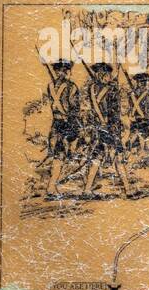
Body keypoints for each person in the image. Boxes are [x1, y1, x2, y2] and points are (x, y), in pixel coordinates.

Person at [82, 62, 132, 198]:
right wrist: (118, 129)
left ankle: (87, 189)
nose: (110, 77)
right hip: (110, 128)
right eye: (108, 75)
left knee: (97, 158)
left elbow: (95, 108)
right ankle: (127, 189)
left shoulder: (92, 88)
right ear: (105, 75)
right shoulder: (111, 90)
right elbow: (115, 111)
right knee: (118, 158)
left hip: (98, 127)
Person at [42, 59, 80, 198]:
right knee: (65, 154)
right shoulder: (72, 87)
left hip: (55, 124)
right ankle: (52, 188)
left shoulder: (50, 86)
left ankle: (51, 187)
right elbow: (74, 107)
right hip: (67, 124)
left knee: (58, 156)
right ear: (65, 71)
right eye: (67, 70)